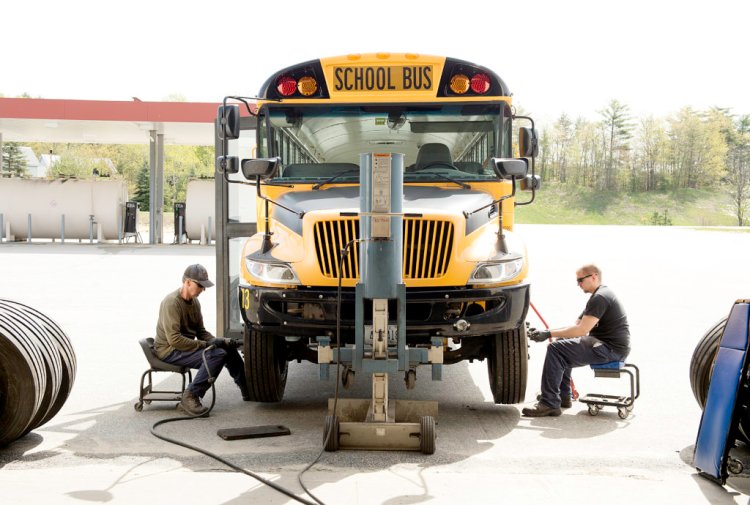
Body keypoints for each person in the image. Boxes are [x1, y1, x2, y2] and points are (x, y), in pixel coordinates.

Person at [522, 264, 630, 417]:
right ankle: (563, 396)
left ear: (594, 277)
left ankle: (549, 403)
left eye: (580, 280)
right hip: (603, 345)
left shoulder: (600, 298)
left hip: (610, 349)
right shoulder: (598, 296)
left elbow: (581, 331)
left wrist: (547, 334)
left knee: (556, 349)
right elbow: (577, 326)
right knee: (561, 343)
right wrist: (547, 333)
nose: (578, 284)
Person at [154, 264, 249, 415]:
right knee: (217, 355)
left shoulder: (194, 302)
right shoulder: (171, 303)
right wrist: (206, 344)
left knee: (227, 349)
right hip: (170, 350)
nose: (203, 290)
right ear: (187, 282)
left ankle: (247, 387)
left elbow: (201, 332)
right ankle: (190, 395)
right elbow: (175, 340)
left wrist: (220, 341)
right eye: (200, 286)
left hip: (183, 347)